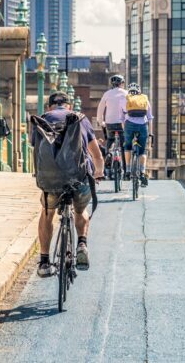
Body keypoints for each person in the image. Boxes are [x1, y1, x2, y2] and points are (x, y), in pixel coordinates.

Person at [34, 91, 105, 277]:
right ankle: (82, 243)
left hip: (51, 179)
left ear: (49, 106)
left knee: (47, 213)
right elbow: (97, 155)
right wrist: (98, 173)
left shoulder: (43, 119)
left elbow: (38, 153)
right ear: (69, 106)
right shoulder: (80, 119)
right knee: (80, 211)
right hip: (78, 177)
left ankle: (43, 261)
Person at [96, 75, 128, 176]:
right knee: (123, 145)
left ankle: (108, 154)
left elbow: (100, 109)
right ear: (122, 83)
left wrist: (101, 122)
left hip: (110, 123)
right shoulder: (126, 93)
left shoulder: (107, 94)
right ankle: (126, 169)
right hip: (122, 123)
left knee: (110, 140)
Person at [124, 83, 153, 186]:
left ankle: (127, 171)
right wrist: (151, 133)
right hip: (143, 126)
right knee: (142, 150)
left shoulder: (126, 99)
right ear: (139, 91)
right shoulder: (144, 99)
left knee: (127, 146)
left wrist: (124, 126)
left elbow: (122, 115)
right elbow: (150, 117)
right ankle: (142, 172)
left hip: (129, 125)